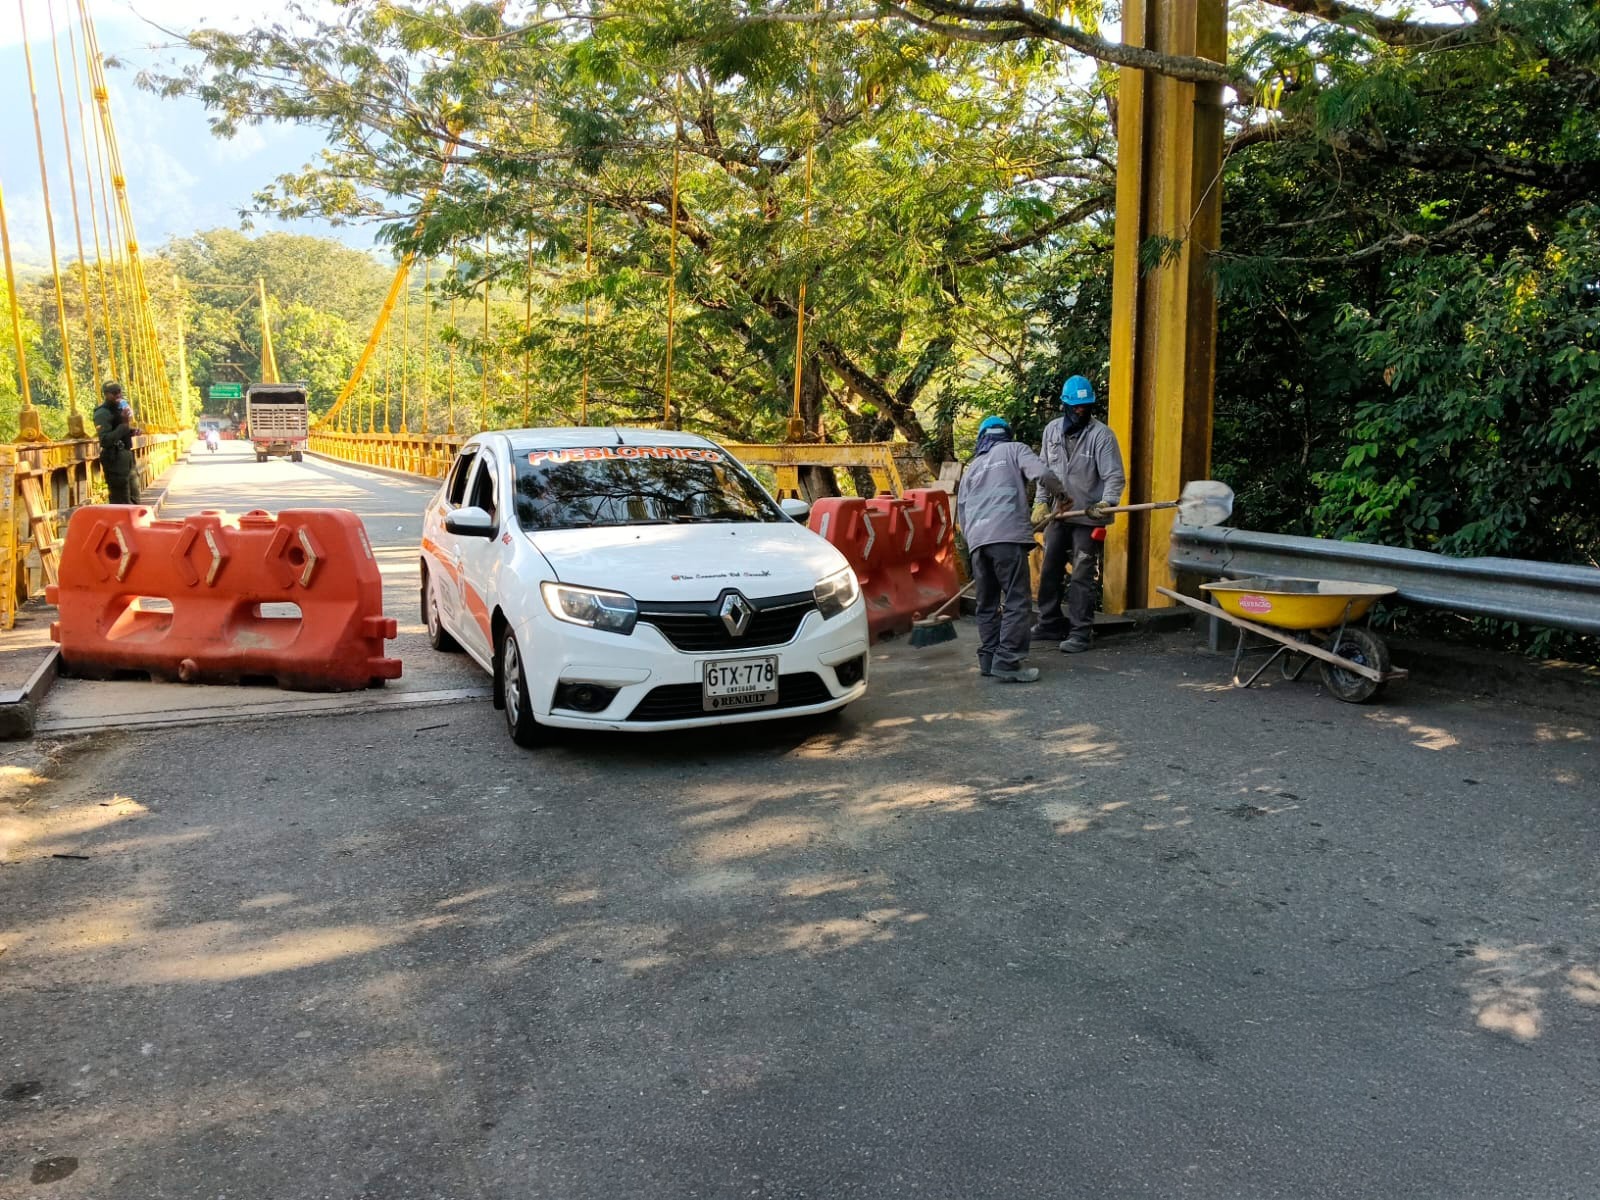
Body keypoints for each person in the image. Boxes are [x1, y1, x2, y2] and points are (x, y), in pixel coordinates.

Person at [956, 415, 1064, 684]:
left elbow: (961, 511)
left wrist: (974, 544)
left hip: (978, 544)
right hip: (1006, 539)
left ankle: (990, 658)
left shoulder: (973, 467)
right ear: (1006, 433)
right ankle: (1008, 661)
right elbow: (1043, 474)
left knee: (987, 603)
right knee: (1016, 600)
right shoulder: (1015, 449)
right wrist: (1063, 495)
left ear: (982, 438)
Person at [1035, 374, 1126, 654]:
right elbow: (1043, 473)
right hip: (1059, 514)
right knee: (1049, 567)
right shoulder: (1051, 432)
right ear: (1064, 405)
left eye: (1086, 406)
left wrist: (1107, 502)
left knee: (1082, 574)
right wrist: (1040, 502)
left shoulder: (1101, 435)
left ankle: (1080, 631)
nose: (1081, 411)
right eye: (1076, 407)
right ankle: (1049, 622)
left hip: (1089, 516)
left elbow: (1114, 477)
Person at [93, 380, 140, 505]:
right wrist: (124, 425)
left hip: (127, 456)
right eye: (114, 393)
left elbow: (121, 431)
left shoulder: (120, 410)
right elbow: (105, 440)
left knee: (135, 498)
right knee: (121, 500)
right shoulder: (102, 413)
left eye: (119, 391)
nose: (118, 395)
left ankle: (135, 523)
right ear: (106, 394)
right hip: (115, 459)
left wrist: (132, 431)